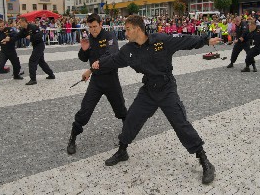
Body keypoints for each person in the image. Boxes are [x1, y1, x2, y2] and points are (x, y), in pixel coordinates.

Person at [92, 15, 221, 184]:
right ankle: (122, 150)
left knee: (180, 123)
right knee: (132, 118)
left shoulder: (161, 40)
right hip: (148, 90)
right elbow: (114, 59)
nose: (125, 33)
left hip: (166, 88)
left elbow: (184, 40)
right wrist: (97, 65)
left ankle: (204, 161)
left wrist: (205, 40)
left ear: (138, 29)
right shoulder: (128, 50)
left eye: (127, 29)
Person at [67, 14, 127, 155]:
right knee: (84, 111)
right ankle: (72, 137)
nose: (93, 30)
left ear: (101, 24)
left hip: (111, 79)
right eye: (90, 27)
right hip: (96, 81)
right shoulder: (90, 38)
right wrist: (84, 49)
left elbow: (111, 54)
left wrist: (91, 69)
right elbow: (83, 58)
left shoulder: (109, 35)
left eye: (95, 26)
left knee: (120, 110)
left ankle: (128, 132)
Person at [1, 17, 55, 85]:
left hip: (40, 45)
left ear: (24, 22)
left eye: (20, 22)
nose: (19, 24)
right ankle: (51, 75)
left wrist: (31, 37)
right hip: (35, 46)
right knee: (41, 62)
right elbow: (16, 36)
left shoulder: (33, 26)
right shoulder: (23, 30)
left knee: (32, 61)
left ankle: (33, 80)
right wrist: (8, 40)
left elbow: (40, 35)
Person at [0, 21, 23, 87]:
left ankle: (16, 75)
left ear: (4, 25)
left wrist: (9, 37)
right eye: (0, 26)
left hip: (12, 51)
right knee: (0, 65)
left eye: (2, 26)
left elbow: (16, 34)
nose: (1, 27)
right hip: (4, 52)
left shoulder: (9, 29)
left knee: (17, 65)